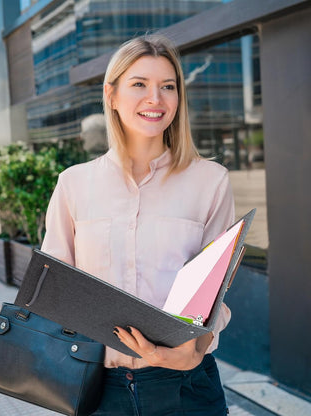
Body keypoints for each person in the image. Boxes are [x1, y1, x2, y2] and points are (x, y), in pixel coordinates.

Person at [41, 34, 234, 416]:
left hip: (187, 387)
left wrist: (192, 353)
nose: (155, 99)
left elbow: (217, 290)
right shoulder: (74, 183)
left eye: (168, 86)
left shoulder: (210, 181)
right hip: (98, 387)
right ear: (111, 95)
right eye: (139, 85)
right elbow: (54, 287)